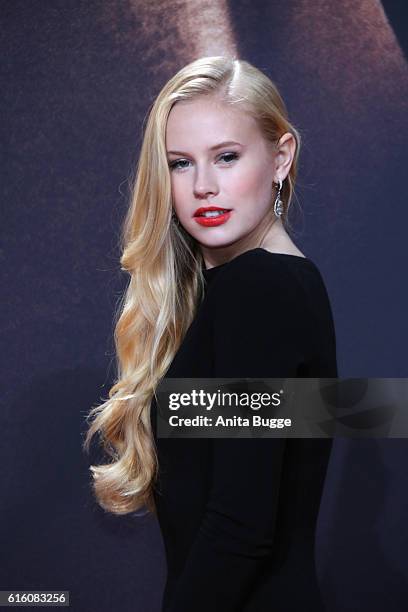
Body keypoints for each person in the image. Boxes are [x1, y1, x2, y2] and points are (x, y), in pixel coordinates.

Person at [83, 56, 338, 611]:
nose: (203, 186)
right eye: (180, 163)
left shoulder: (259, 288)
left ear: (281, 156)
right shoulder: (275, 284)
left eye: (226, 157)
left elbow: (241, 529)